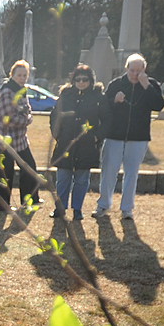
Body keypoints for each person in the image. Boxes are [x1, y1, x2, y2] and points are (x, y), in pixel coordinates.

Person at [96, 54, 164, 219]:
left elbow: (158, 105)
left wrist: (146, 85)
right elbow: (103, 108)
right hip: (114, 136)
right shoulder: (116, 84)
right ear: (126, 69)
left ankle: (127, 209)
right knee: (108, 172)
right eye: (132, 70)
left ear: (144, 70)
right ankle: (103, 205)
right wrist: (115, 101)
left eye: (138, 71)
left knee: (131, 174)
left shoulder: (151, 85)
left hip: (138, 138)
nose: (135, 74)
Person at [50, 64, 104, 220]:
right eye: (77, 79)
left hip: (86, 144)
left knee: (81, 180)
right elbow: (54, 117)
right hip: (65, 142)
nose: (81, 82)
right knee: (62, 179)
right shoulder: (65, 95)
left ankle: (77, 209)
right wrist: (58, 135)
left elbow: (107, 120)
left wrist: (96, 137)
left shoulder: (97, 97)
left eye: (84, 79)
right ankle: (59, 208)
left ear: (91, 81)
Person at [0, 60, 40, 214]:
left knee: (30, 167)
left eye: (25, 75)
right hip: (6, 139)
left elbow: (28, 109)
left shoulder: (22, 90)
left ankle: (29, 200)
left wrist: (27, 117)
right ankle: (1, 206)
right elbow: (9, 118)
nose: (22, 78)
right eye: (19, 75)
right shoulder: (7, 92)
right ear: (12, 75)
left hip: (20, 139)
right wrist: (27, 120)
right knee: (5, 173)